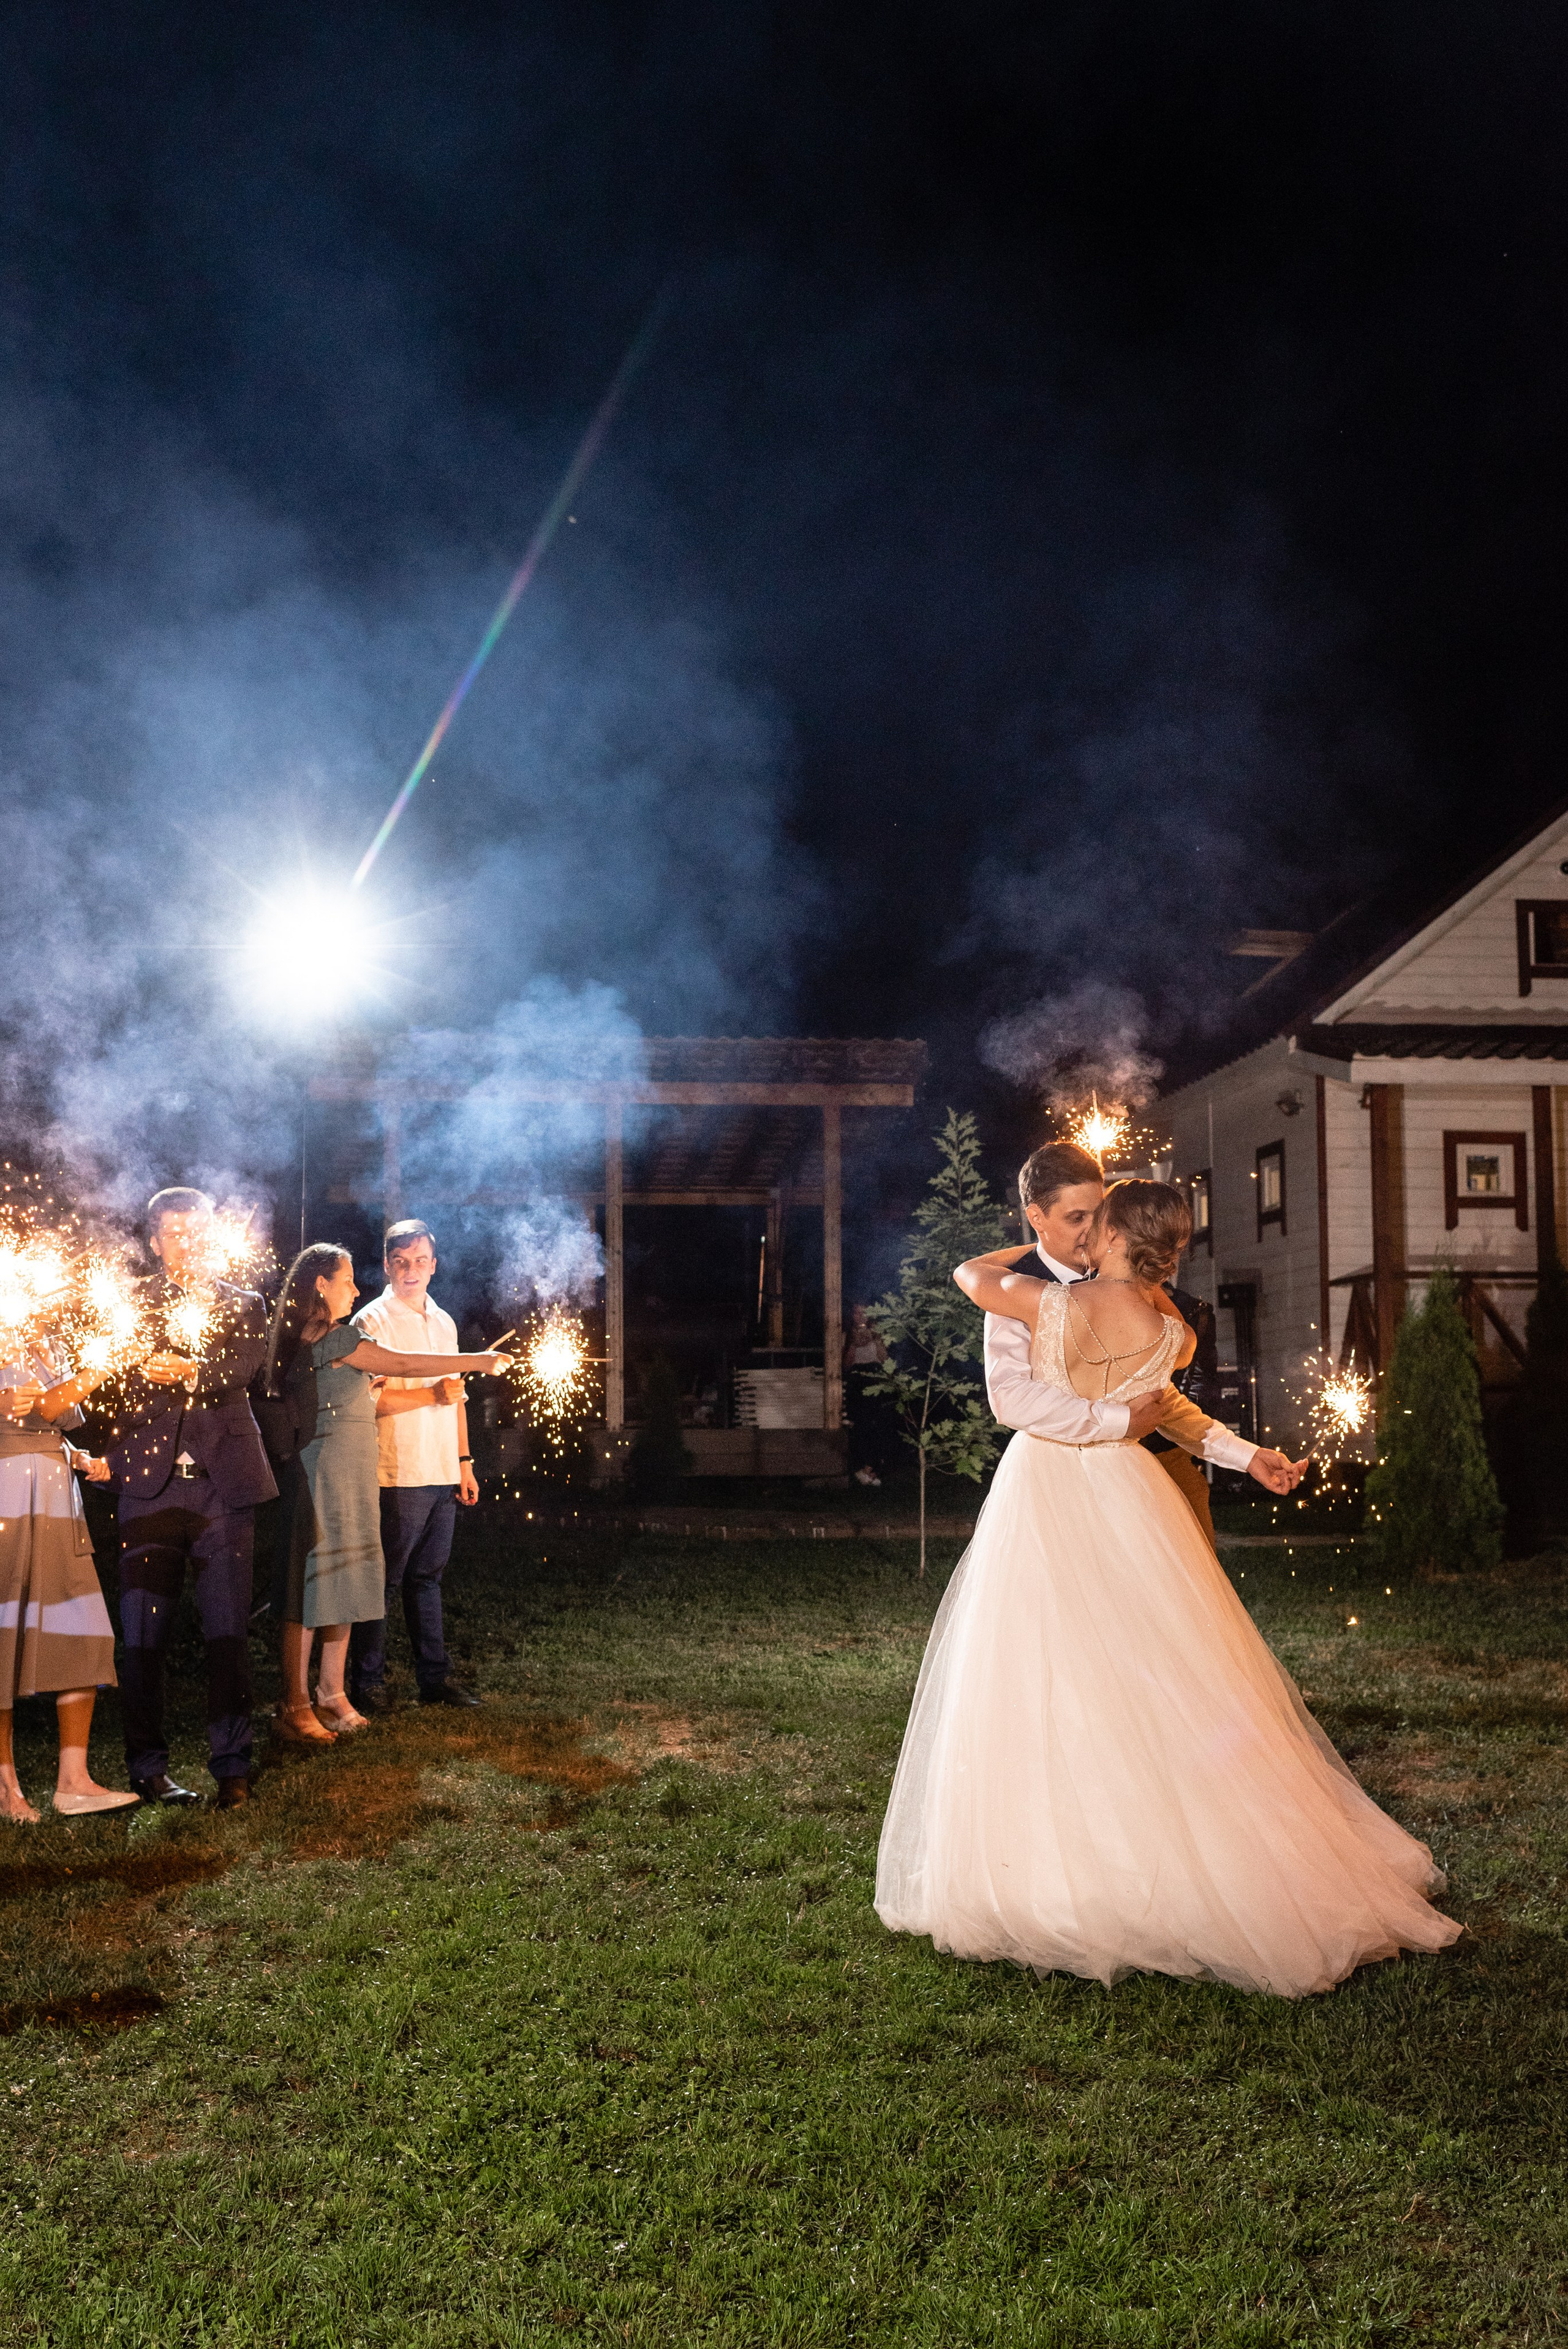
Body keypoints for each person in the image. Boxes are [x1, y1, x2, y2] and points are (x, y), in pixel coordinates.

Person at [875, 1176, 1460, 1999]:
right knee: (1151, 1662)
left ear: (1110, 1230)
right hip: (1127, 1493)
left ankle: (1082, 1860)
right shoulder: (1174, 1328)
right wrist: (1249, 1453)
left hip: (1047, 1489)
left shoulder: (1053, 1304)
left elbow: (971, 1273)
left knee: (1046, 1663)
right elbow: (1173, 1409)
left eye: (1094, 1217)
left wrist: (1030, 1231)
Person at [264, 1244, 509, 1743]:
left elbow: (350, 1396)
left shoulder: (330, 1341)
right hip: (325, 1473)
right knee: (312, 1584)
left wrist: (370, 1393)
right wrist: (477, 1361)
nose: (356, 1288)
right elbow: (403, 1361)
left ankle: (333, 1693)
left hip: (356, 1471)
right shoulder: (336, 1336)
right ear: (320, 1285)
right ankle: (296, 1702)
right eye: (348, 1279)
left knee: (352, 1576)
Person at [106, 1187, 277, 1810]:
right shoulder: (130, 1305)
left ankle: (232, 1766)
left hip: (221, 1487)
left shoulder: (244, 1303)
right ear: (154, 1242)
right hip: (147, 1489)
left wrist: (192, 1373)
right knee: (143, 1637)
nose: (188, 1241)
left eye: (197, 1230)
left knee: (227, 1633)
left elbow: (243, 1367)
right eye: (174, 1232)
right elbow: (108, 1378)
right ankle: (148, 1769)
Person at [348, 1220, 481, 1712]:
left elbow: (458, 1396)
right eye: (401, 1261)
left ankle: (434, 1678)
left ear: (433, 1265)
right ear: (386, 1265)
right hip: (396, 1471)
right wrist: (430, 1392)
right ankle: (369, 1683)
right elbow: (367, 1403)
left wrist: (464, 1461)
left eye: (420, 1261)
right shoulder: (371, 1321)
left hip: (442, 1469)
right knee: (384, 1578)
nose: (411, 1270)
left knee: (428, 1578)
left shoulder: (444, 1323)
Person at [1, 1344, 136, 1821]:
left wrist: (77, 1455)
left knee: (83, 1628)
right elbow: (44, 1405)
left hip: (57, 1492)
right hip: (8, 1494)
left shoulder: (52, 1339)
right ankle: (6, 1785)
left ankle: (73, 1781)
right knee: (3, 1635)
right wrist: (109, 1360)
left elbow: (50, 1420)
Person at [843, 1303, 890, 1488]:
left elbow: (886, 1361)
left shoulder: (878, 1332)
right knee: (859, 1424)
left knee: (877, 1424)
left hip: (876, 1378)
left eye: (864, 1313)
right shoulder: (846, 1335)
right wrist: (854, 1344)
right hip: (857, 1381)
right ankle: (860, 1467)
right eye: (857, 1313)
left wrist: (876, 1340)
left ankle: (874, 1467)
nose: (861, 1316)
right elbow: (845, 1365)